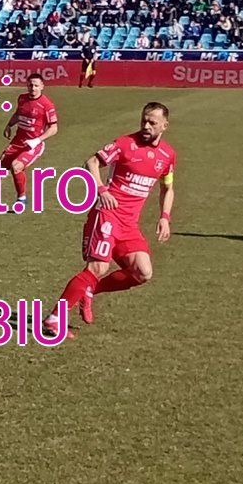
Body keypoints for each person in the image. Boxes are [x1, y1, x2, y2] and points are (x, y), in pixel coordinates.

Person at [43, 102, 176, 336]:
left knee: (143, 273)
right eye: (143, 120)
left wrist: (165, 217)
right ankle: (54, 318)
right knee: (98, 267)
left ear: (164, 125)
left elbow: (168, 188)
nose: (146, 126)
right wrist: (101, 189)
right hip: (107, 215)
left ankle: (90, 290)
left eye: (152, 122)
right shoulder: (125, 144)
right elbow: (91, 162)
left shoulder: (167, 155)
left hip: (129, 225)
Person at [0, 73, 58, 213]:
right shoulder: (22, 98)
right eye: (30, 85)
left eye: (36, 85)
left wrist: (37, 140)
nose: (33, 88)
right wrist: (9, 125)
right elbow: (18, 113)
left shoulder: (47, 105)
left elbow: (54, 128)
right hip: (17, 141)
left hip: (33, 145)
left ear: (42, 86)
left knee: (16, 167)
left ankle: (21, 198)